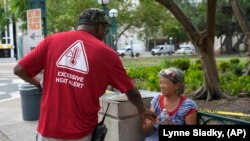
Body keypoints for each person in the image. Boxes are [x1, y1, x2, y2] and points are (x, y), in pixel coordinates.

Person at [14, 8, 156, 141]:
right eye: (105, 30)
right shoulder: (107, 54)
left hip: (47, 129)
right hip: (80, 132)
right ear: (100, 28)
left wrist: (39, 83)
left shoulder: (51, 40)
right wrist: (142, 109)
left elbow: (19, 70)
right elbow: (131, 91)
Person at [143, 67, 198, 141]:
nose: (161, 86)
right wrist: (150, 121)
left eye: (165, 83)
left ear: (177, 85)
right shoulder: (156, 101)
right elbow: (145, 128)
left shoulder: (188, 105)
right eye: (160, 82)